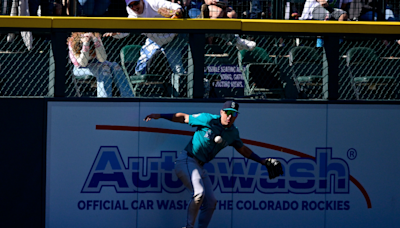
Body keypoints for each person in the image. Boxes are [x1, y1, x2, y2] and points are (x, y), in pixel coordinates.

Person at [144, 100, 273, 228]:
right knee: (198, 193)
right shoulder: (208, 119)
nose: (229, 117)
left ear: (236, 116)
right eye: (227, 113)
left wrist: (262, 161)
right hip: (187, 160)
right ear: (221, 112)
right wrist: (160, 115)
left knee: (211, 202)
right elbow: (184, 118)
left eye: (233, 114)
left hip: (200, 166)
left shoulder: (233, 133)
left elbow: (243, 149)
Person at [103, 0, 185, 97]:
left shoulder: (153, 3)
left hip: (173, 40)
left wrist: (176, 12)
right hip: (154, 40)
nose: (134, 7)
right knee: (141, 68)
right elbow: (126, 31)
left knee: (178, 71)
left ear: (142, 1)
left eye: (136, 3)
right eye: (131, 5)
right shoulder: (133, 14)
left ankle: (183, 96)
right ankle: (145, 95)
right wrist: (116, 33)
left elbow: (176, 7)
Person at [67, 32, 135, 97]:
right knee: (104, 69)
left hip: (98, 63)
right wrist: (85, 44)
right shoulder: (73, 41)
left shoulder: (95, 36)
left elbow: (102, 59)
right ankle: (104, 101)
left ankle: (128, 97)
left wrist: (95, 40)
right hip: (81, 68)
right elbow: (83, 63)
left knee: (115, 66)